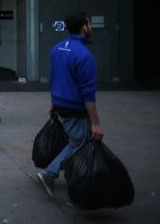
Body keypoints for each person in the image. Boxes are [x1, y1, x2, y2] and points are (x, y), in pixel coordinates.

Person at [36, 11, 103, 198]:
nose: (91, 27)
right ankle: (50, 172)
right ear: (84, 26)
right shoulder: (85, 56)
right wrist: (95, 122)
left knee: (74, 140)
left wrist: (54, 102)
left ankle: (73, 174)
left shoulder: (57, 48)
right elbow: (88, 94)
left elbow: (55, 78)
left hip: (60, 104)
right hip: (74, 107)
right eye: (89, 24)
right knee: (79, 142)